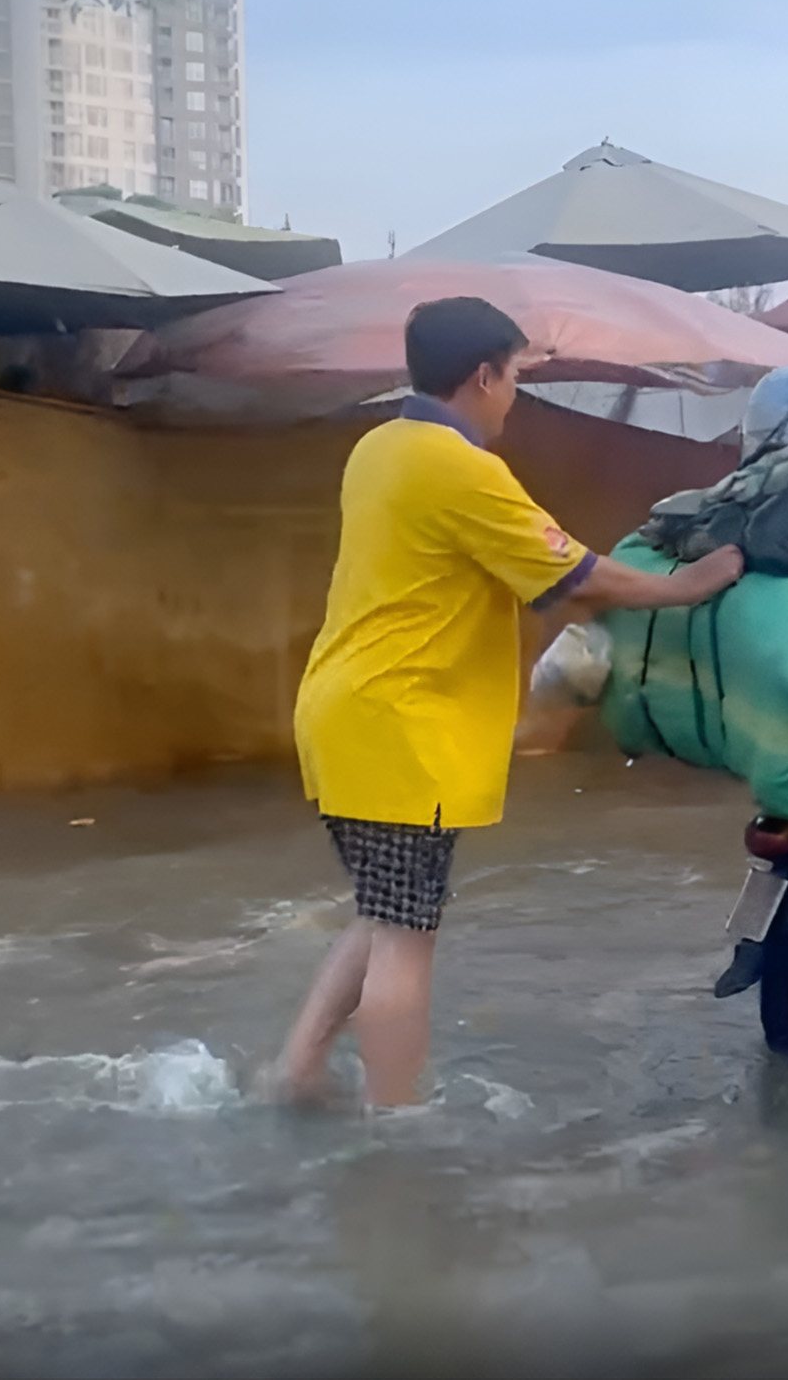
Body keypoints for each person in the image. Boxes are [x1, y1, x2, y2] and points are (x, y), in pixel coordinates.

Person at [277, 296, 743, 1108]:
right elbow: (576, 575)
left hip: (347, 712)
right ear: (484, 375)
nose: (515, 398)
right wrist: (687, 586)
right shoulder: (457, 468)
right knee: (407, 939)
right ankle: (396, 1123)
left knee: (383, 915)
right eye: (516, 377)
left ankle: (294, 1076)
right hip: (400, 726)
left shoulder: (378, 448)